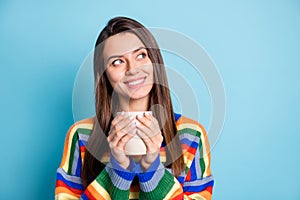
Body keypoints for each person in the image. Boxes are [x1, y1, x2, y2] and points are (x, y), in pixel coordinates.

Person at [55, 16, 214, 200]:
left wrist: (152, 169)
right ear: (104, 74)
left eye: (141, 55)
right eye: (117, 62)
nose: (132, 69)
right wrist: (118, 169)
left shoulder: (191, 135)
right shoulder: (81, 135)